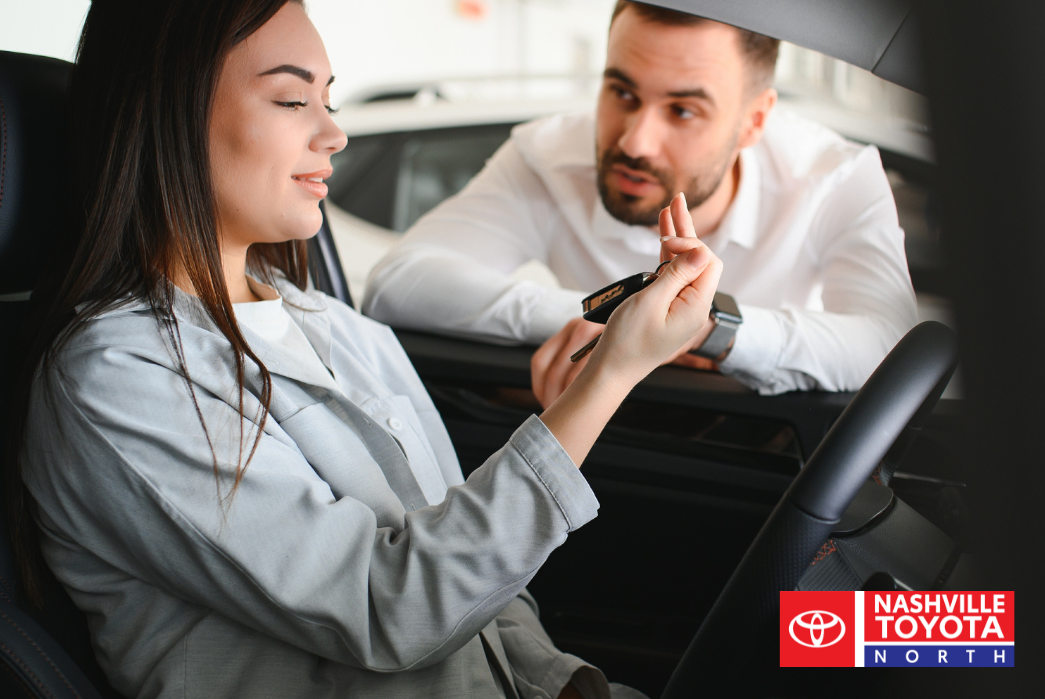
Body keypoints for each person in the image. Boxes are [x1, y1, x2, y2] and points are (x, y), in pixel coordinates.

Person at [6, 1, 721, 698]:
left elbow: (481, 590)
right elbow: (395, 608)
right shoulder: (118, 375)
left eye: (329, 99)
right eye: (292, 101)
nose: (334, 134)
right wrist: (610, 374)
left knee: (814, 645)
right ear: (171, 113)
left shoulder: (336, 325)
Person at [362, 0, 919, 404]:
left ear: (754, 121)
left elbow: (889, 344)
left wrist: (708, 329)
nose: (632, 141)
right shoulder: (549, 156)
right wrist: (609, 313)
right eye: (622, 93)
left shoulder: (835, 178)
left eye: (681, 110)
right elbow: (400, 283)